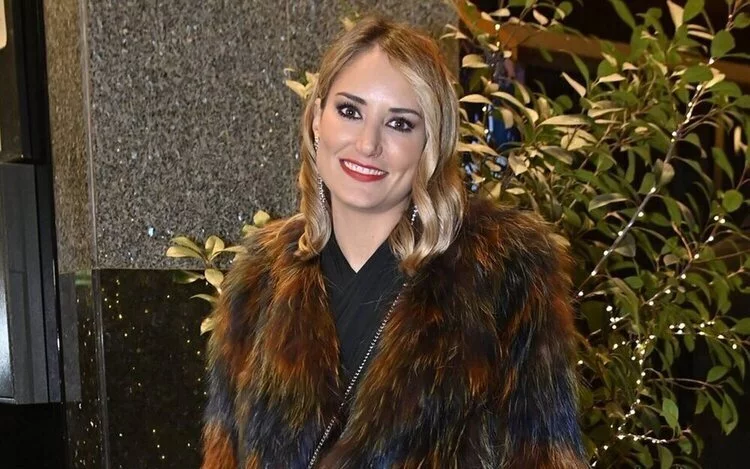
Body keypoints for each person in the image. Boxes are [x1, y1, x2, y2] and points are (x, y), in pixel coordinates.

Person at [201, 15, 587, 469]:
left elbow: (544, 455)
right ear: (318, 120)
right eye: (350, 111)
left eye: (400, 123)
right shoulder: (258, 280)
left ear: (430, 142)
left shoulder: (503, 274)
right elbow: (225, 453)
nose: (368, 144)